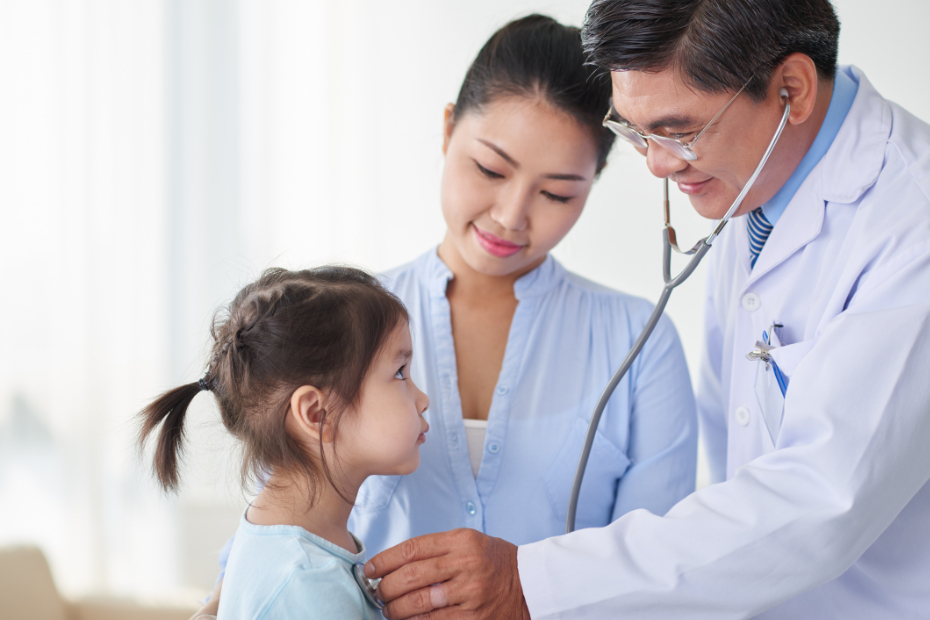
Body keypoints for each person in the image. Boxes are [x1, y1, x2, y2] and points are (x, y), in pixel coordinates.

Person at [364, 1, 930, 619]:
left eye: (678, 130)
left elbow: (823, 501)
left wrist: (531, 581)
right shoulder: (753, 188)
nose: (658, 164)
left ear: (790, 90)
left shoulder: (910, 222)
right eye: (635, 132)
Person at [190, 14, 698, 619]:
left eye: (557, 192)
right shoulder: (342, 331)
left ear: (595, 180)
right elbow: (270, 542)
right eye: (490, 169)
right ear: (448, 128)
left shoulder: (640, 343)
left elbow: (663, 577)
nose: (512, 216)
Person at [138, 267, 429, 620]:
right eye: (400, 372)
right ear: (317, 414)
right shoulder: (308, 586)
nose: (423, 399)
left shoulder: (279, 540)